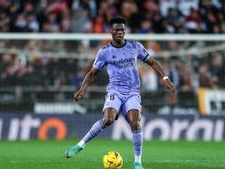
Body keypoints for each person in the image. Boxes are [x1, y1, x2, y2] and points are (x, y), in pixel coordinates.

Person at [65, 16, 177, 169]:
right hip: (115, 91)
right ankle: (80, 145)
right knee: (108, 119)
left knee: (135, 122)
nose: (120, 33)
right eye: (117, 30)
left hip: (132, 92)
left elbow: (153, 62)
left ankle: (138, 162)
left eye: (122, 30)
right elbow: (92, 73)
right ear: (110, 31)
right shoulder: (104, 52)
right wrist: (82, 89)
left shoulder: (134, 46)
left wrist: (165, 78)